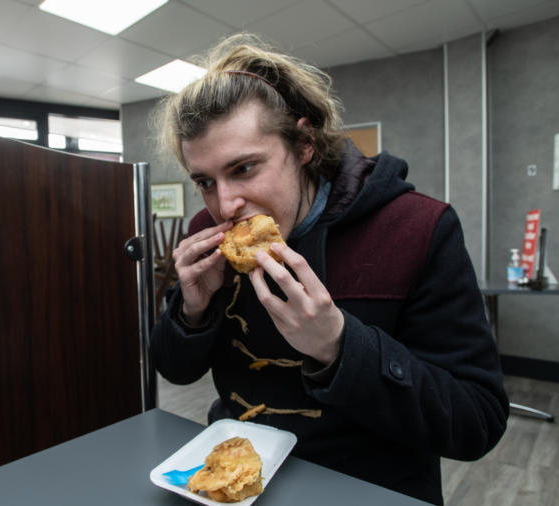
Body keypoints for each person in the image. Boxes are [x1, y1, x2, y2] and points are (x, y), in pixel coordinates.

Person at [150, 33, 508, 505]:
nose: (225, 205)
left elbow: (476, 421)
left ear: (305, 144)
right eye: (204, 182)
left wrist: (338, 346)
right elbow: (174, 371)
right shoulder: (206, 231)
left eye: (244, 169)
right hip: (235, 484)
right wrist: (191, 312)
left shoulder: (419, 228)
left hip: (370, 486)